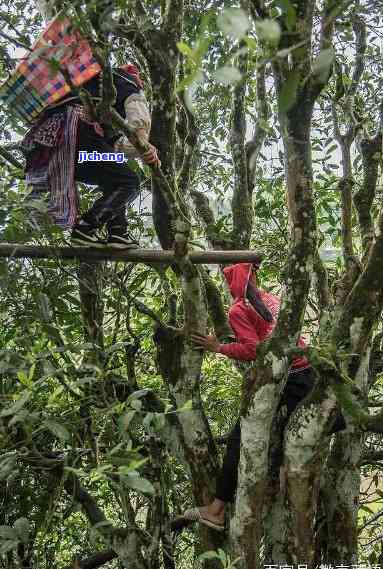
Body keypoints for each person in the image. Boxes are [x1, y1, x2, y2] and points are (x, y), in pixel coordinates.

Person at [176, 262, 329, 532]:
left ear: (230, 285)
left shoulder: (238, 309)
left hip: (287, 378)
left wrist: (218, 346)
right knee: (297, 433)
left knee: (241, 436)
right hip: (307, 372)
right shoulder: (271, 298)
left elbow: (252, 349)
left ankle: (216, 510)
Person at [22, 64, 160, 249]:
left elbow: (115, 143)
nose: (141, 82)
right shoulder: (125, 81)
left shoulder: (87, 89)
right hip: (75, 139)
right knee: (129, 182)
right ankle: (86, 227)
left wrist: (142, 150)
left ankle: (118, 231)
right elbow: (139, 120)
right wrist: (145, 146)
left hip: (55, 148)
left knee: (116, 173)